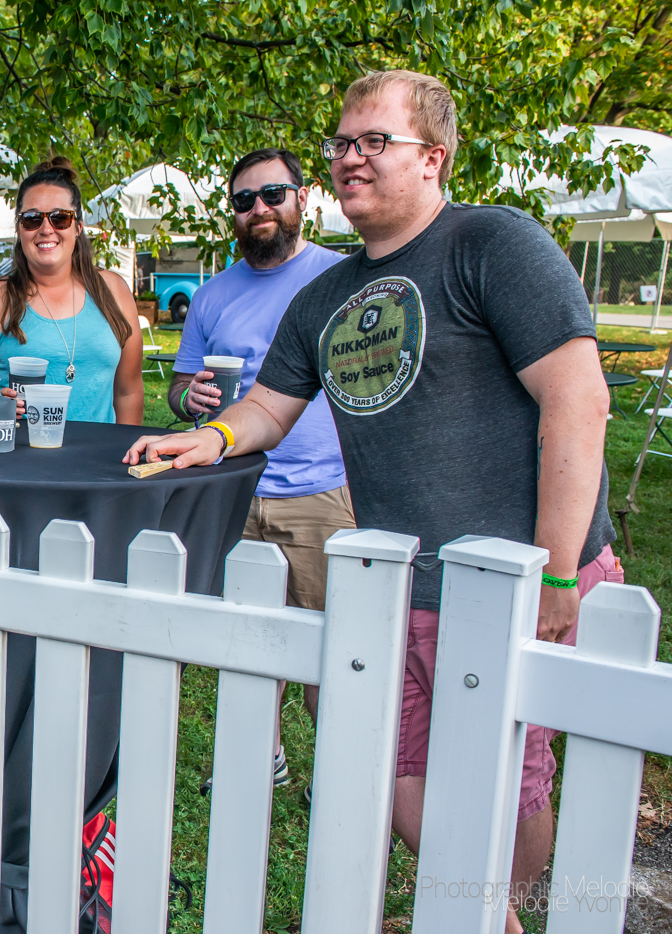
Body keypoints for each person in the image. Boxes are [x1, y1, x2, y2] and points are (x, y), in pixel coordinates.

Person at [126, 69, 620, 934]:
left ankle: (501, 909)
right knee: (389, 764)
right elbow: (269, 406)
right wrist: (210, 438)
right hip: (402, 584)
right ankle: (492, 916)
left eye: (375, 141)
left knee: (514, 781)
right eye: (342, 143)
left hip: (514, 578)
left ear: (434, 157)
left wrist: (555, 571)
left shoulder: (493, 244)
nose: (351, 158)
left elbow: (578, 401)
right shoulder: (325, 295)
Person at [179, 148, 353, 796]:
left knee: (335, 646)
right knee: (248, 643)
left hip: (320, 491)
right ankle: (263, 757)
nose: (259, 209)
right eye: (244, 200)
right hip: (234, 489)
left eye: (273, 194)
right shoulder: (212, 295)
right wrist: (189, 398)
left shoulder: (341, 278)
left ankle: (338, 774)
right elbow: (179, 388)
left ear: (303, 197)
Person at [0, 157, 143, 424]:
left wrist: (127, 449)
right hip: (16, 451)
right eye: (31, 219)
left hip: (100, 452)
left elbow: (128, 393)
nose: (46, 229)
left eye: (60, 218)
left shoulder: (114, 290)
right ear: (19, 229)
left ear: (78, 227)